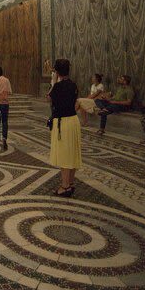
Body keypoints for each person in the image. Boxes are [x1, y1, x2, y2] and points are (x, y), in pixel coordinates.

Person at [47, 59, 82, 197]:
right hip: (73, 120)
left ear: (57, 71)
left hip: (63, 123)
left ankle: (65, 186)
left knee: (64, 154)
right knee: (72, 152)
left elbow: (49, 99)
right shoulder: (73, 85)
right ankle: (71, 183)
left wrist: (54, 82)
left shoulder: (57, 87)